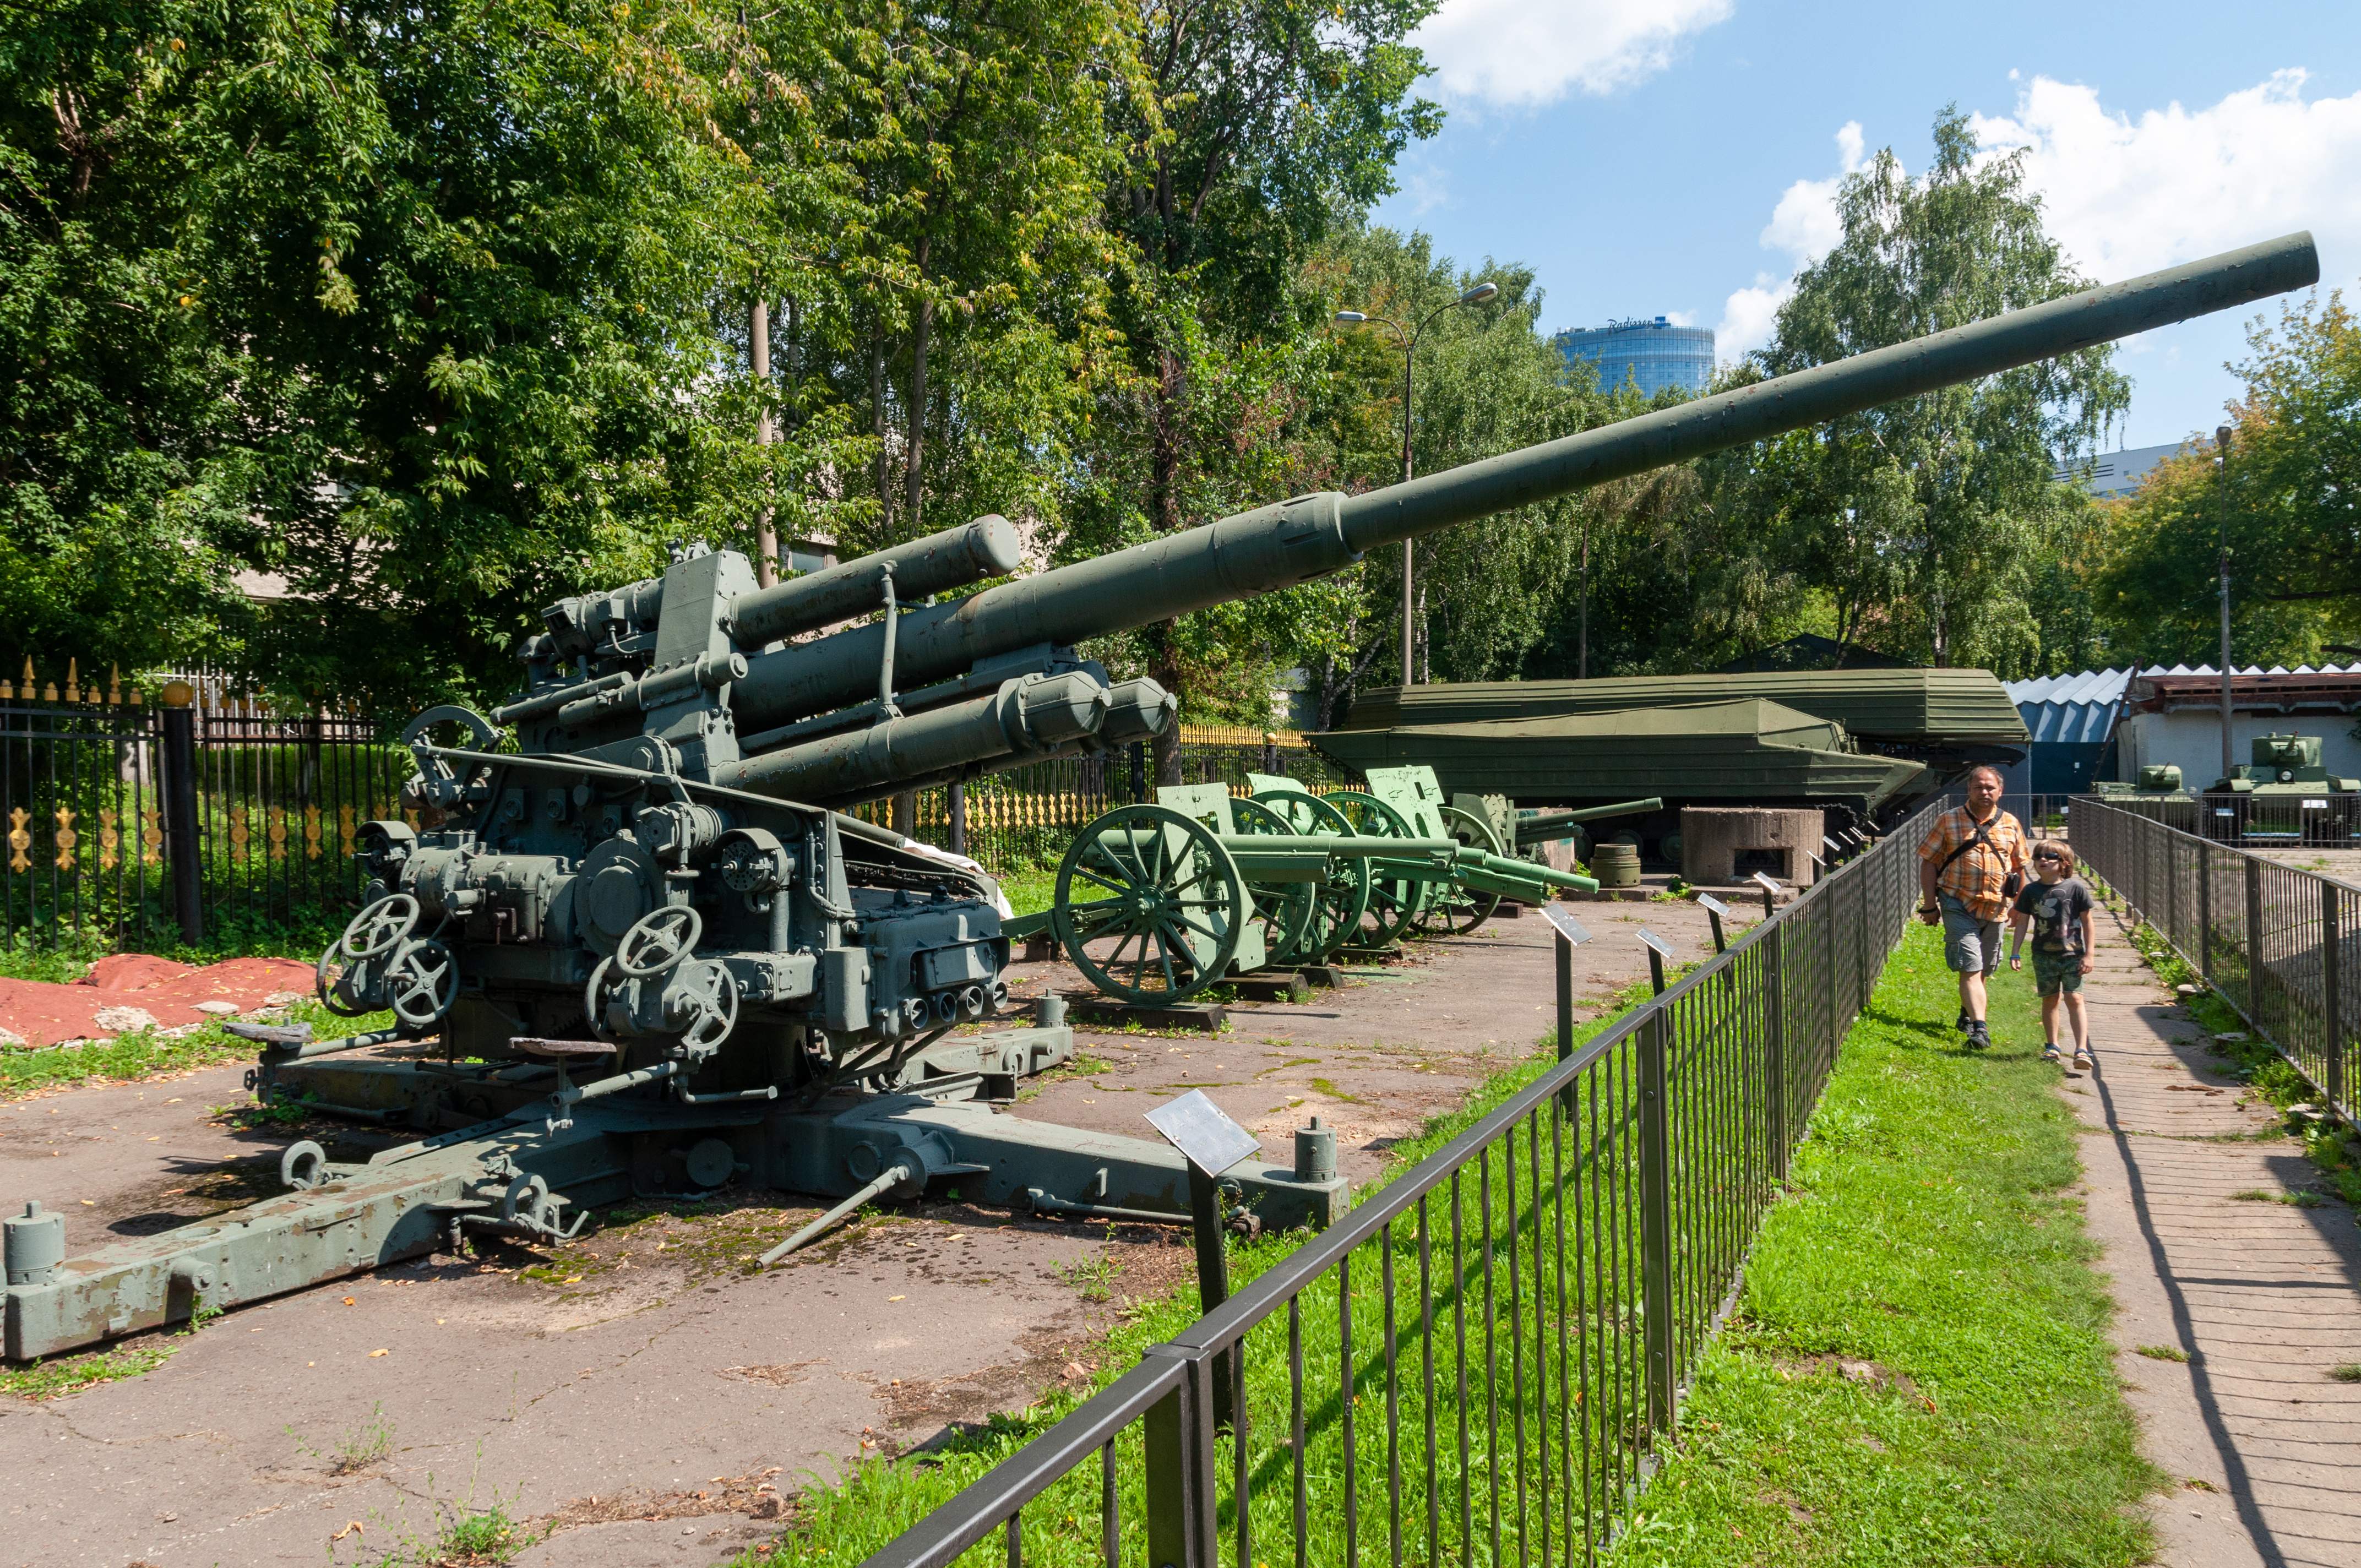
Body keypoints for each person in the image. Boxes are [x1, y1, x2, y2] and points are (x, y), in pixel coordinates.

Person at [1916, 766, 2028, 1050]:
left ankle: (1968, 1012)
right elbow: (1929, 862)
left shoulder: (2012, 823)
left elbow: (2019, 867)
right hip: (1957, 902)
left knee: (1984, 970)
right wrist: (1931, 906)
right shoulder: (1949, 820)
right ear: (1969, 790)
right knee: (1970, 965)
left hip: (1997, 908)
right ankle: (1980, 1029)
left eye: (1990, 787)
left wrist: (2019, 906)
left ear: (2000, 791)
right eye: (1979, 787)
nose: (1985, 792)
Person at [2009, 842, 2097, 1069]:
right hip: (2043, 955)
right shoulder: (2031, 891)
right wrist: (2015, 952)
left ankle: (2082, 1051)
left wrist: (2089, 955)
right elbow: (2022, 922)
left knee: (2075, 998)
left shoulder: (2076, 888)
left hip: (2073, 955)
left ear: (2064, 863)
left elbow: (2088, 922)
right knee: (2050, 1000)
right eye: (2039, 856)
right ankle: (2052, 1047)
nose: (2043, 860)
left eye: (2050, 856)